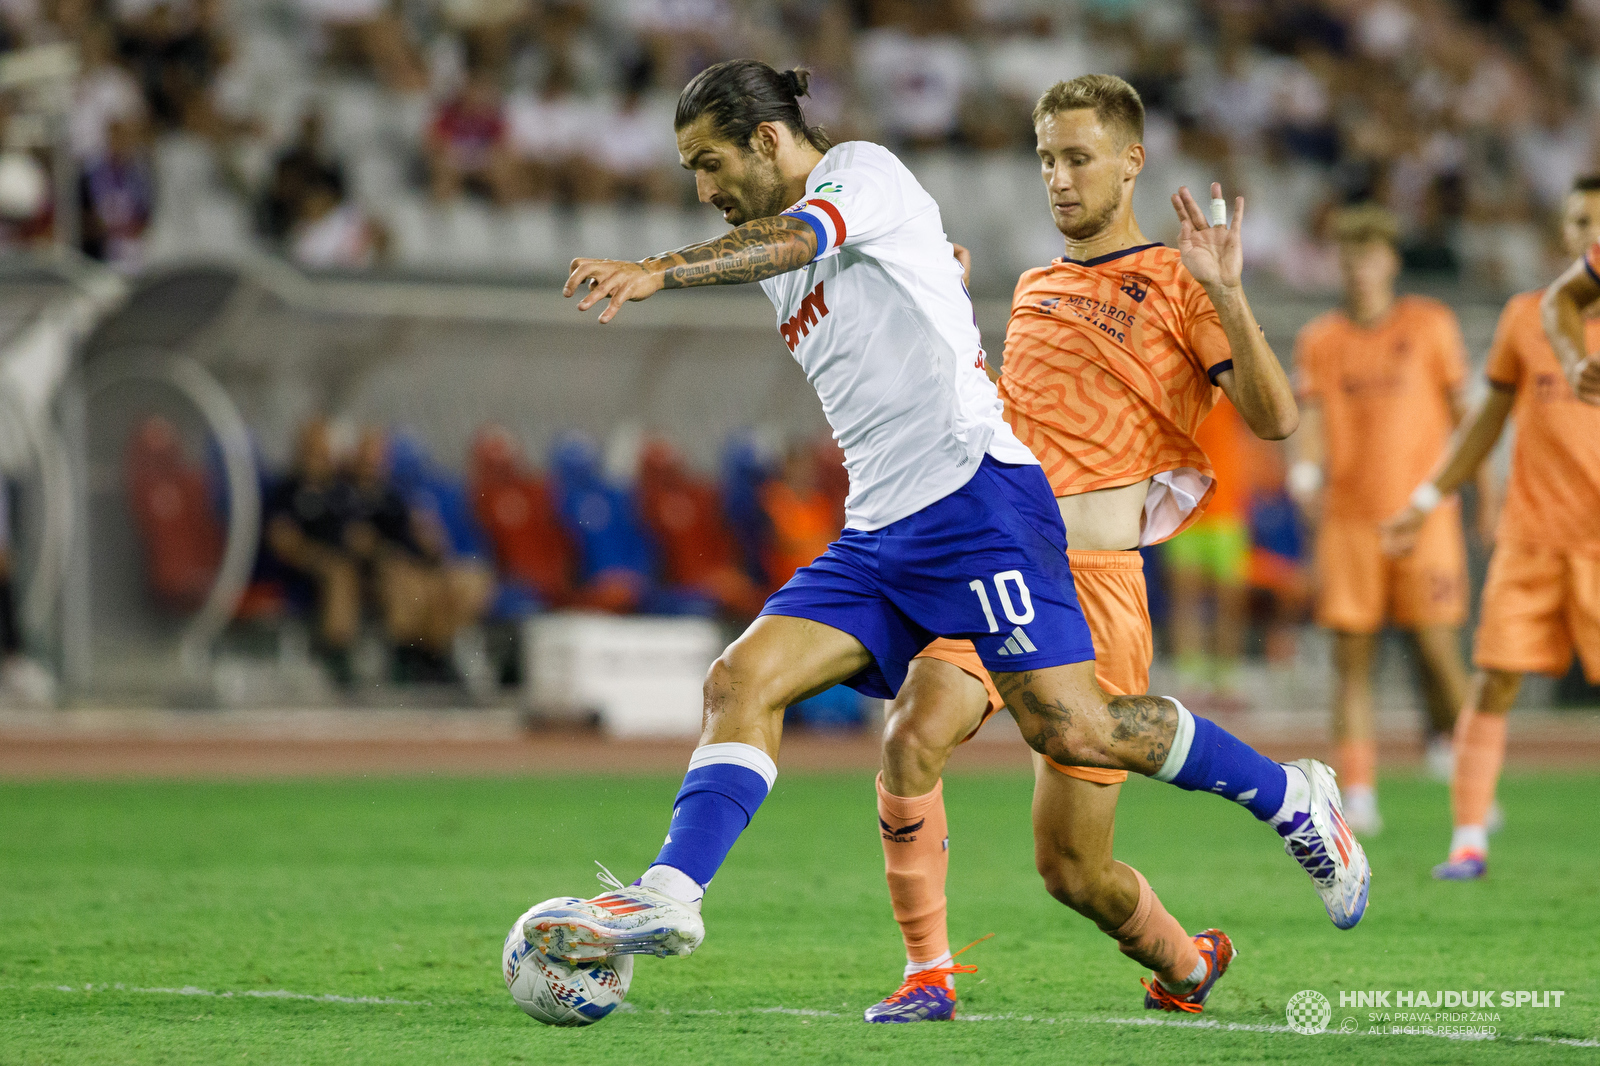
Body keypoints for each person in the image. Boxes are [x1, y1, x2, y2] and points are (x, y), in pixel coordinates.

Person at [522, 62, 1367, 989]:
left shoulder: (861, 174)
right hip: (887, 526)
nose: (703, 189)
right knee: (747, 682)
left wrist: (656, 271)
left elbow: (808, 235)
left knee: (1077, 752)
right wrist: (938, 275)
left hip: (983, 512)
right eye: (1045, 159)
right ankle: (678, 897)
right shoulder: (1032, 282)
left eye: (710, 163)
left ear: (767, 140)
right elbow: (913, 325)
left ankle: (1291, 796)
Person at [862, 74, 1335, 1025]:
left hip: (1100, 589)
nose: (1059, 179)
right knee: (912, 735)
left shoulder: (1179, 280)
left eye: (1078, 158)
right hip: (999, 570)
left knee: (1071, 870)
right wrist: (946, 316)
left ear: (1132, 161)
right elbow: (991, 426)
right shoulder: (1035, 285)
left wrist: (1229, 294)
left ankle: (1187, 962)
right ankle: (929, 976)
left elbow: (1277, 419)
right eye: (1046, 159)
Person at [1383, 175, 1600, 880]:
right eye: (1578, 219)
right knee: (1493, 682)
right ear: (1564, 232)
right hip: (1531, 539)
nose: (1587, 232)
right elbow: (1484, 424)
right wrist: (1424, 497)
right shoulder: (1525, 316)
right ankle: (1468, 840)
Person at [1292, 204, 1480, 835]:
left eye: (1370, 256)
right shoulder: (1321, 338)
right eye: (1349, 257)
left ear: (1391, 261)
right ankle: (1360, 792)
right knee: (1352, 658)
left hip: (1423, 518)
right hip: (1350, 520)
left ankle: (1473, 782)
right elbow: (1310, 417)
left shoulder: (1431, 325)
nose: (1360, 269)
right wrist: (1305, 473)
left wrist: (1489, 494)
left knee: (1438, 652)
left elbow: (1467, 418)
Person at [1164, 400, 1252, 707]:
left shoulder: (1228, 385)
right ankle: (1191, 680)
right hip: (1186, 509)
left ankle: (1227, 680)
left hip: (1227, 510)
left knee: (1230, 603)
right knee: (1186, 600)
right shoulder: (1177, 388)